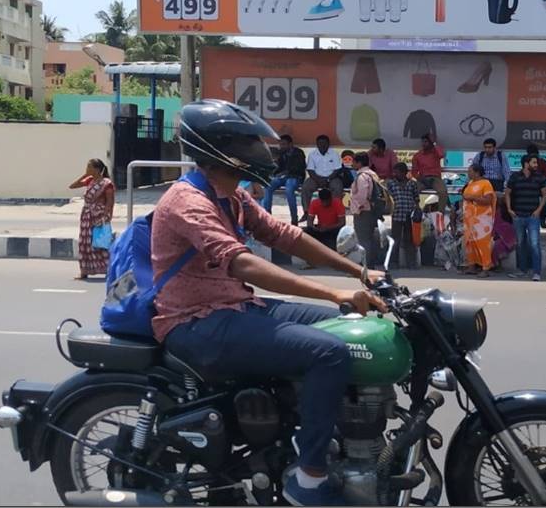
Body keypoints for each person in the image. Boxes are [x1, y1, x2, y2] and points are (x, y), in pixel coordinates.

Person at [152, 100, 386, 507]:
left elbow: (285, 235)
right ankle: (309, 479)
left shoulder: (230, 196)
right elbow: (243, 263)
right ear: (216, 149)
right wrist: (333, 291)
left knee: (345, 328)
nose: (254, 151)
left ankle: (320, 431)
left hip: (236, 306)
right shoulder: (188, 201)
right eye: (244, 142)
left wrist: (356, 273)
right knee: (327, 353)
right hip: (197, 323)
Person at [69, 158, 115, 280]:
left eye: (89, 167)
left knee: (100, 244)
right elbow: (72, 186)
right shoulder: (90, 180)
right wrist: (85, 175)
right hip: (86, 216)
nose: (87, 169)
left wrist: (106, 217)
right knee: (84, 243)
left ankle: (108, 270)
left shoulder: (106, 183)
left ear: (97, 169)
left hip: (98, 216)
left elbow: (110, 202)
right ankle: (84, 271)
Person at [505, 154, 546, 281]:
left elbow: (545, 195)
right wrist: (509, 209)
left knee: (534, 243)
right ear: (526, 163)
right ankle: (522, 270)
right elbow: (507, 193)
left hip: (532, 216)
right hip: (518, 215)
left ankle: (537, 272)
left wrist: (539, 210)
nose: (536, 165)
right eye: (534, 163)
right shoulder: (515, 177)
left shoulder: (539, 177)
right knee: (520, 244)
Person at [462, 163, 496, 278]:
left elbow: (488, 200)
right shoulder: (471, 183)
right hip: (469, 219)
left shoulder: (486, 184)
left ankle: (486, 268)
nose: (468, 173)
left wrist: (472, 198)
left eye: (470, 171)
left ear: (477, 172)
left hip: (481, 220)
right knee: (470, 243)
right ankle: (471, 266)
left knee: (482, 243)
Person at [263, 134, 307, 225]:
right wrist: (274, 172)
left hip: (295, 177)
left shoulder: (298, 153)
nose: (281, 146)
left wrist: (286, 173)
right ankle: (267, 216)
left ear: (290, 144)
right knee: (268, 186)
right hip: (282, 177)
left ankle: (294, 219)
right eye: (280, 144)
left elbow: (299, 168)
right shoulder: (281, 153)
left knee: (289, 190)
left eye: (284, 144)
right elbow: (278, 168)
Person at [350, 152, 383, 269]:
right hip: (371, 211)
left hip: (363, 211)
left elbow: (362, 196)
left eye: (354, 161)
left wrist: (358, 208)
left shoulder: (362, 177)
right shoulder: (372, 174)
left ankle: (366, 265)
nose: (352, 164)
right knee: (369, 238)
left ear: (359, 163)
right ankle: (369, 263)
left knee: (363, 240)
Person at [300, 136, 344, 220]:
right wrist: (318, 179)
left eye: (324, 143)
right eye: (320, 143)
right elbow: (310, 170)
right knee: (306, 187)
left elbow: (337, 169)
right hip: (316, 178)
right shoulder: (312, 154)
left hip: (332, 177)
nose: (322, 145)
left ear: (328, 144)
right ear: (317, 144)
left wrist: (328, 179)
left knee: (338, 187)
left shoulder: (334, 153)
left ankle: (335, 212)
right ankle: (307, 212)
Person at [386, 162, 420, 270]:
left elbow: (416, 198)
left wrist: (417, 210)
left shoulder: (412, 184)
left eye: (398, 172)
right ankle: (393, 262)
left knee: (409, 239)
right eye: (394, 172)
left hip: (409, 215)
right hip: (396, 214)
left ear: (404, 173)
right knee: (395, 239)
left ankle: (411, 263)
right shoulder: (391, 183)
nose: (395, 174)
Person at [411, 133, 450, 212]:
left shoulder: (436, 152)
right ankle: (416, 210)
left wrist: (434, 143)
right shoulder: (417, 155)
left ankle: (440, 213)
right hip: (422, 179)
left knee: (443, 192)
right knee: (412, 191)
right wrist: (420, 178)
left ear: (430, 143)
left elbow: (442, 154)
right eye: (423, 142)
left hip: (435, 178)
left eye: (426, 142)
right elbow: (414, 171)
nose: (423, 144)